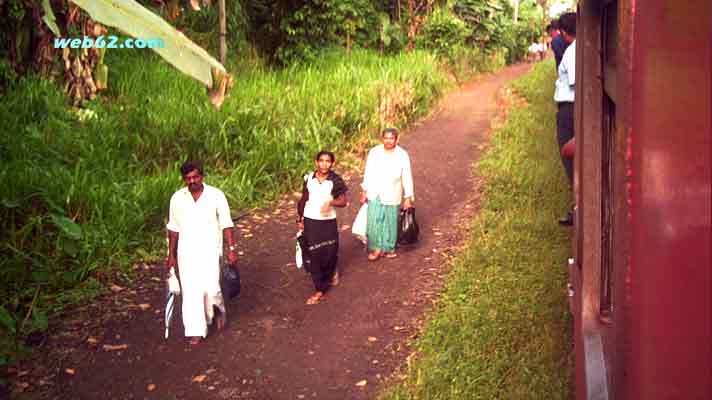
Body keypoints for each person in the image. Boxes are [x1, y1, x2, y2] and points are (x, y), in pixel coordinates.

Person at [165, 160, 237, 345]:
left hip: (210, 249)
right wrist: (171, 255)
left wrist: (232, 249)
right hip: (185, 251)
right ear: (183, 179)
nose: (192, 181)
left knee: (211, 287)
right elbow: (173, 229)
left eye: (195, 177)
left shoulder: (216, 196)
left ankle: (217, 310)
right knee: (190, 291)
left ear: (202, 176)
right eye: (188, 178)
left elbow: (226, 223)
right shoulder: (177, 198)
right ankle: (195, 329)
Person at [296, 150, 348, 305]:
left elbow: (343, 201)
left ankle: (332, 270)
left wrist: (331, 202)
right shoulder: (308, 178)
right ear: (316, 162)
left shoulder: (335, 180)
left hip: (327, 221)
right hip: (311, 219)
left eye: (327, 161)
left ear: (332, 164)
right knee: (314, 253)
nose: (324, 164)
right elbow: (304, 198)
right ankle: (320, 289)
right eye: (321, 161)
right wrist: (300, 218)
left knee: (330, 251)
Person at [360, 128, 415, 261]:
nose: (388, 141)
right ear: (382, 138)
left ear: (397, 139)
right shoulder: (375, 152)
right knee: (374, 220)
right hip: (375, 191)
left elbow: (406, 176)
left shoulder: (402, 155)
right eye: (386, 138)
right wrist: (364, 190)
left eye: (391, 138)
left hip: (393, 192)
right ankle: (376, 248)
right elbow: (368, 172)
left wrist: (408, 197)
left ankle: (388, 248)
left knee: (390, 221)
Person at [554, 12, 577, 226]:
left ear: (563, 32)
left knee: (570, 158)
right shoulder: (578, 49)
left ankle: (579, 208)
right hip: (571, 110)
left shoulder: (572, 52)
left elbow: (578, 86)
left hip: (570, 111)